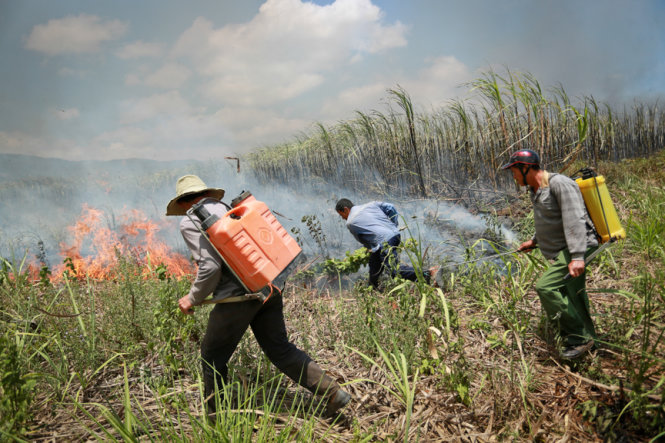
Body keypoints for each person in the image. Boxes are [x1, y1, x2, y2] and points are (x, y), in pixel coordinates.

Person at [166, 175, 350, 416]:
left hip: (238, 299)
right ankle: (333, 392)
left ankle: (215, 420)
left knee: (211, 357)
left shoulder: (191, 220)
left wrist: (192, 298)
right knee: (279, 349)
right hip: (269, 286)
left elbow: (210, 268)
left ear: (182, 203)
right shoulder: (229, 208)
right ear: (208, 193)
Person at [501, 150, 599, 360]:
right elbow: (550, 217)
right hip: (568, 250)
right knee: (575, 296)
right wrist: (534, 241)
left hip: (577, 248)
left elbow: (574, 219)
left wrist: (578, 257)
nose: (514, 177)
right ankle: (591, 342)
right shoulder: (536, 189)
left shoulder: (560, 184)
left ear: (525, 168)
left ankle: (577, 339)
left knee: (546, 286)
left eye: (514, 172)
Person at [335, 198, 433, 289]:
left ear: (345, 209)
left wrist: (369, 248)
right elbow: (390, 207)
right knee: (374, 263)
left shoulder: (350, 223)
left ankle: (426, 273)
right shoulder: (370, 205)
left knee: (393, 270)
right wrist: (393, 225)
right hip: (394, 235)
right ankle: (372, 288)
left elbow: (363, 240)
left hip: (385, 241)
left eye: (341, 215)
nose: (343, 218)